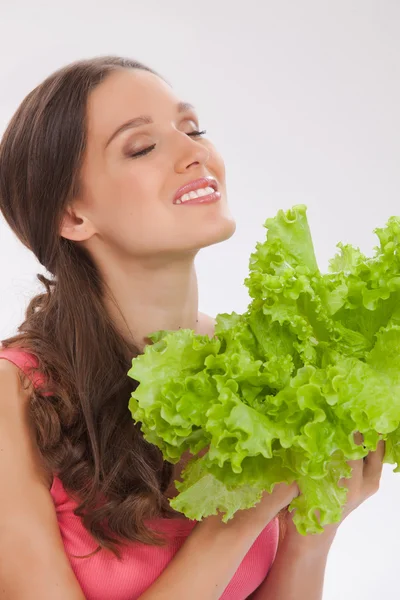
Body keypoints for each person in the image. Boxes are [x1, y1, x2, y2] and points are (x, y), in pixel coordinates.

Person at [0, 55, 384, 600]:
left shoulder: (251, 370)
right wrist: (236, 524)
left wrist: (309, 535)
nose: (195, 153)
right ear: (72, 216)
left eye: (192, 128)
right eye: (142, 147)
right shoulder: (15, 395)